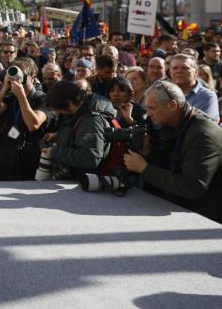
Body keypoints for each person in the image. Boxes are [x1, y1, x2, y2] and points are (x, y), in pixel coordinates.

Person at [124, 81, 222, 223]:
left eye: (152, 108)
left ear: (172, 106)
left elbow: (191, 186)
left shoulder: (203, 135)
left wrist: (144, 168)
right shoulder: (176, 123)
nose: (147, 114)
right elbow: (170, 163)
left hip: (207, 218)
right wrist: (148, 152)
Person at [0, 57, 50, 180]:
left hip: (29, 160)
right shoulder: (10, 98)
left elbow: (33, 124)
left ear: (33, 77)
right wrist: (4, 89)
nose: (17, 80)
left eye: (22, 76)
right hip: (6, 157)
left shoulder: (42, 99)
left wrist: (21, 96)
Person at [45, 80, 117, 179]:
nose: (59, 113)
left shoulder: (91, 120)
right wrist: (60, 136)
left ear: (69, 103)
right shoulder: (81, 113)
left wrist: (55, 152)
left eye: (59, 109)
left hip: (84, 182)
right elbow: (81, 134)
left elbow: (91, 158)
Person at [169, 54, 219, 122]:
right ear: (170, 71)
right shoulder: (163, 93)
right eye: (175, 68)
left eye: (185, 68)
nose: (179, 71)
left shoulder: (207, 96)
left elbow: (204, 125)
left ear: (196, 72)